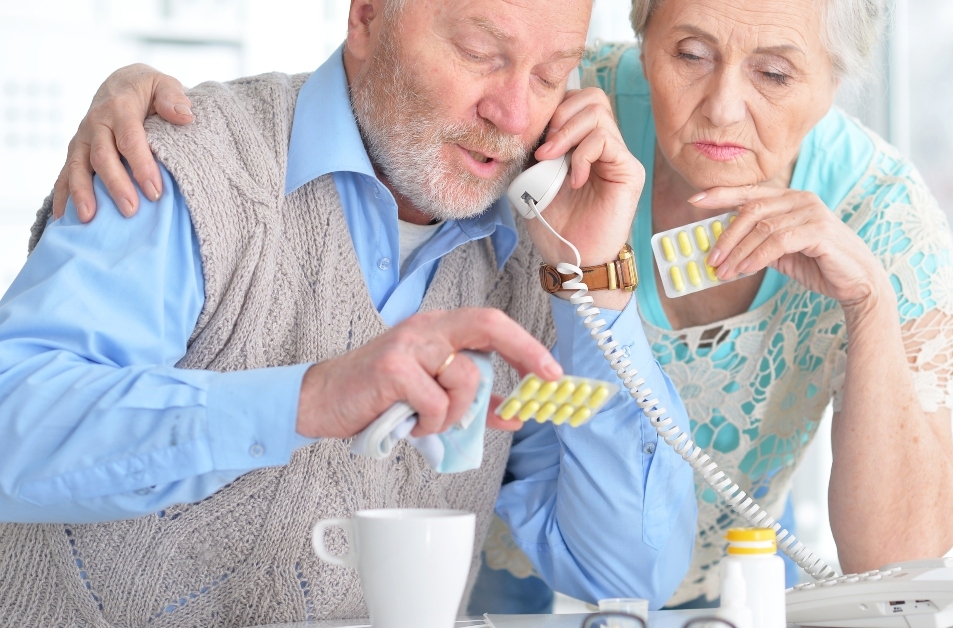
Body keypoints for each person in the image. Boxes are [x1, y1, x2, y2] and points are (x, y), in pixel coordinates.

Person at [46, 0, 953, 613]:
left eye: (774, 74)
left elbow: (897, 562)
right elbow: (388, 88)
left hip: (721, 582)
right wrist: (147, 100)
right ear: (640, 46)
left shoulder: (874, 218)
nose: (722, 107)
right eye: (688, 54)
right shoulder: (549, 115)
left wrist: (870, 312)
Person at [0, 0, 699, 624]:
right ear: (366, 16)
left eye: (550, 76)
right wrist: (310, 398)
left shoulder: (534, 246)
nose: (514, 116)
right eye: (481, 55)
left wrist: (594, 279)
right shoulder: (187, 163)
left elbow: (627, 574)